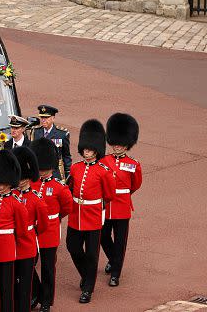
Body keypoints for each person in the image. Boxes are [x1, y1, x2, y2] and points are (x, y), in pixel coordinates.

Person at [66, 119, 116, 303]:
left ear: (96, 150)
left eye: (89, 149)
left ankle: (88, 288)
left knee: (92, 254)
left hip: (93, 216)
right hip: (75, 214)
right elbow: (70, 188)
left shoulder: (103, 171)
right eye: (85, 149)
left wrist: (95, 206)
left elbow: (109, 195)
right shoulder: (76, 168)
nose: (86, 152)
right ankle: (86, 275)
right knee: (73, 247)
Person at [30, 138, 73, 312]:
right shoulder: (32, 183)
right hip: (33, 230)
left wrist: (53, 219)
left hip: (49, 231)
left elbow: (66, 208)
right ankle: (37, 293)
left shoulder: (59, 188)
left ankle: (46, 301)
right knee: (29, 265)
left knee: (48, 268)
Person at [100, 113, 142, 287]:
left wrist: (123, 194)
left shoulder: (133, 164)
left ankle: (115, 273)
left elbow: (136, 184)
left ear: (127, 144)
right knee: (103, 236)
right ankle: (114, 259)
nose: (117, 146)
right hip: (106, 205)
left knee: (120, 241)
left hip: (122, 206)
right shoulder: (104, 160)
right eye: (115, 142)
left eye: (121, 143)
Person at [0, 149, 28, 312]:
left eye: (2, 183)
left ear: (10, 182)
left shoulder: (16, 203)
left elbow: (22, 230)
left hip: (7, 249)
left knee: (6, 289)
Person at [11, 147, 49, 312]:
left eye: (23, 179)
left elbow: (43, 224)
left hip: (27, 242)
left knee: (26, 278)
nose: (20, 181)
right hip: (12, 242)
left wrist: (31, 232)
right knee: (15, 279)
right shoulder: (11, 195)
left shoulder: (36, 199)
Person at [31, 105, 71, 182]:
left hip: (55, 173)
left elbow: (66, 156)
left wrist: (67, 174)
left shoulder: (62, 134)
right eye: (42, 118)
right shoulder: (35, 132)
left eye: (46, 118)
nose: (43, 120)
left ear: (53, 118)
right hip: (39, 172)